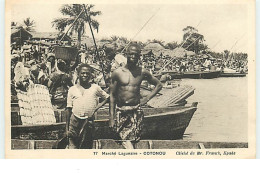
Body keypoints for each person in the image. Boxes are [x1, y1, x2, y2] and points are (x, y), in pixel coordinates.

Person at [109, 43, 162, 149]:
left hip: (136, 111)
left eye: (136, 55)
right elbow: (112, 96)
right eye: (131, 54)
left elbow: (159, 85)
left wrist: (146, 99)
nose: (133, 56)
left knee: (133, 140)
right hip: (121, 111)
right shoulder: (117, 73)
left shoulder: (142, 72)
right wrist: (111, 117)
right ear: (126, 54)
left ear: (139, 56)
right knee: (125, 140)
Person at [66, 63, 109, 149]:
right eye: (82, 73)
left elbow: (107, 97)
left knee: (86, 147)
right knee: (73, 147)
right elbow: (68, 109)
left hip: (88, 122)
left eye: (87, 73)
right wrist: (67, 129)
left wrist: (97, 107)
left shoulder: (95, 88)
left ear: (90, 75)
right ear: (78, 74)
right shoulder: (72, 89)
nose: (85, 75)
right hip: (74, 121)